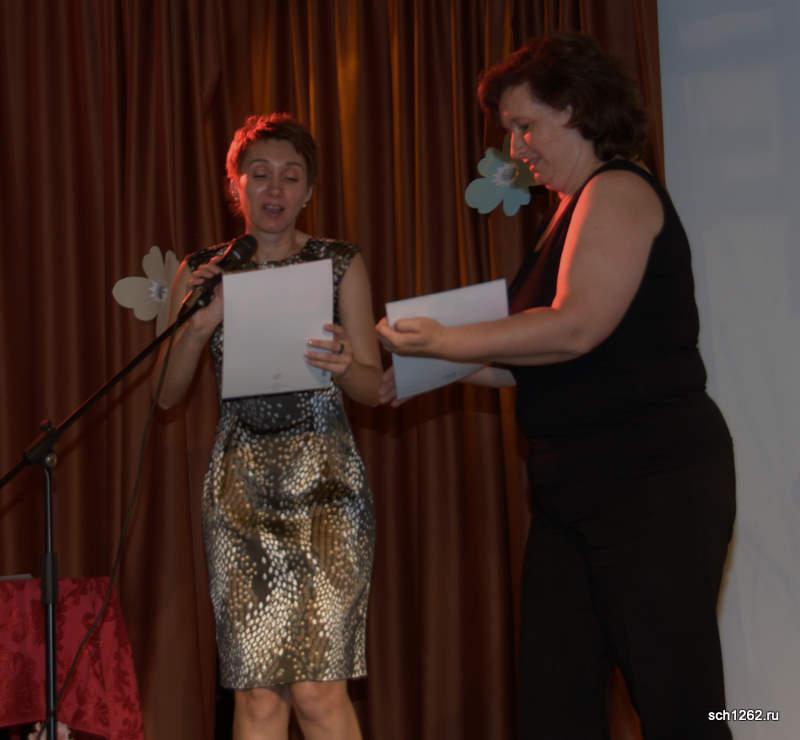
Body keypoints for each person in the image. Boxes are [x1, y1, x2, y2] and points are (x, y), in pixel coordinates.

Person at [377, 33, 735, 740]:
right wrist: (427, 368)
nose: (516, 150)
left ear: (572, 108)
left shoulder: (618, 189)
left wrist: (446, 341)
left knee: (683, 705)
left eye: (524, 126)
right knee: (554, 705)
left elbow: (574, 328)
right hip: (574, 492)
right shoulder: (563, 217)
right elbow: (531, 359)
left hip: (652, 482)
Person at [154, 113, 381, 740]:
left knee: (318, 691)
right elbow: (166, 396)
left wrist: (344, 366)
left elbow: (374, 386)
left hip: (328, 489)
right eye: (259, 174)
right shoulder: (202, 270)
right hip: (241, 494)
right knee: (257, 697)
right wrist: (200, 324)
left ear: (309, 191)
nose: (274, 188)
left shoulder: (339, 263)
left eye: (290, 176)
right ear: (237, 186)